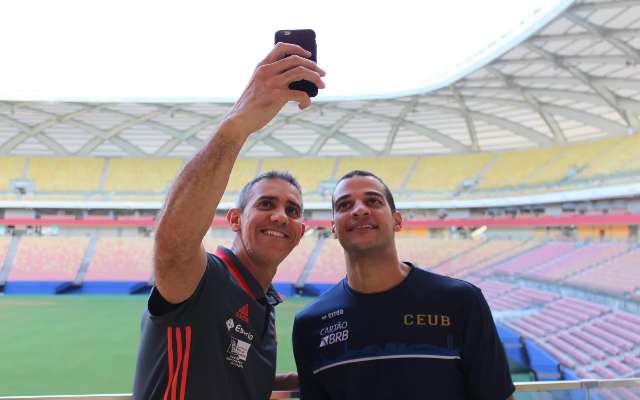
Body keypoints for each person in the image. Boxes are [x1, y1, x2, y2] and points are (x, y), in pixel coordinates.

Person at [132, 43, 326, 400]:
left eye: (293, 211)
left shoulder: (263, 304)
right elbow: (173, 244)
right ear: (235, 218)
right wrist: (237, 124)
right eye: (267, 203)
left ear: (301, 232)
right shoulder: (204, 278)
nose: (281, 216)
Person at [292, 170, 515, 400]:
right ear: (334, 228)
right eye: (344, 205)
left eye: (373, 201)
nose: (359, 210)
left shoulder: (461, 301)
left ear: (396, 221)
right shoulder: (309, 324)